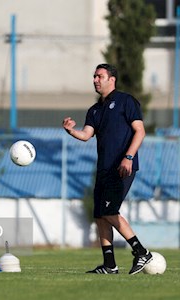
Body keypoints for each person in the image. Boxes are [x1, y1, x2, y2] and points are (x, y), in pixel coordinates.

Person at [62, 63, 152, 275]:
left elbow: (140, 131)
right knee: (101, 215)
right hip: (103, 169)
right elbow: (85, 135)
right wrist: (71, 131)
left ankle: (141, 252)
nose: (95, 80)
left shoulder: (126, 101)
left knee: (110, 211)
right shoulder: (95, 109)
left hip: (122, 167)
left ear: (112, 79)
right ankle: (110, 265)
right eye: (94, 76)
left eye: (99, 76)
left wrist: (128, 157)